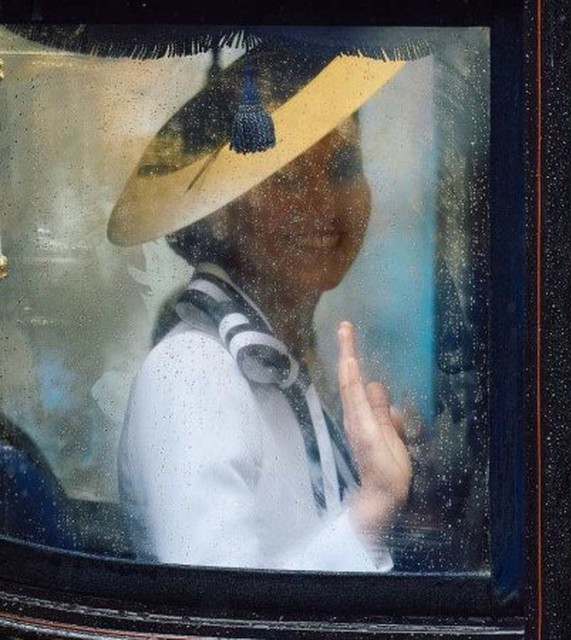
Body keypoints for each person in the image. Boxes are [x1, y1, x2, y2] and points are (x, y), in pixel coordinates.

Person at [110, 45, 412, 571]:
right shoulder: (192, 373)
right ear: (218, 212)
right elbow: (221, 617)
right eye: (287, 176)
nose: (323, 204)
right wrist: (375, 506)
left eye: (343, 166)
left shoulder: (288, 364)